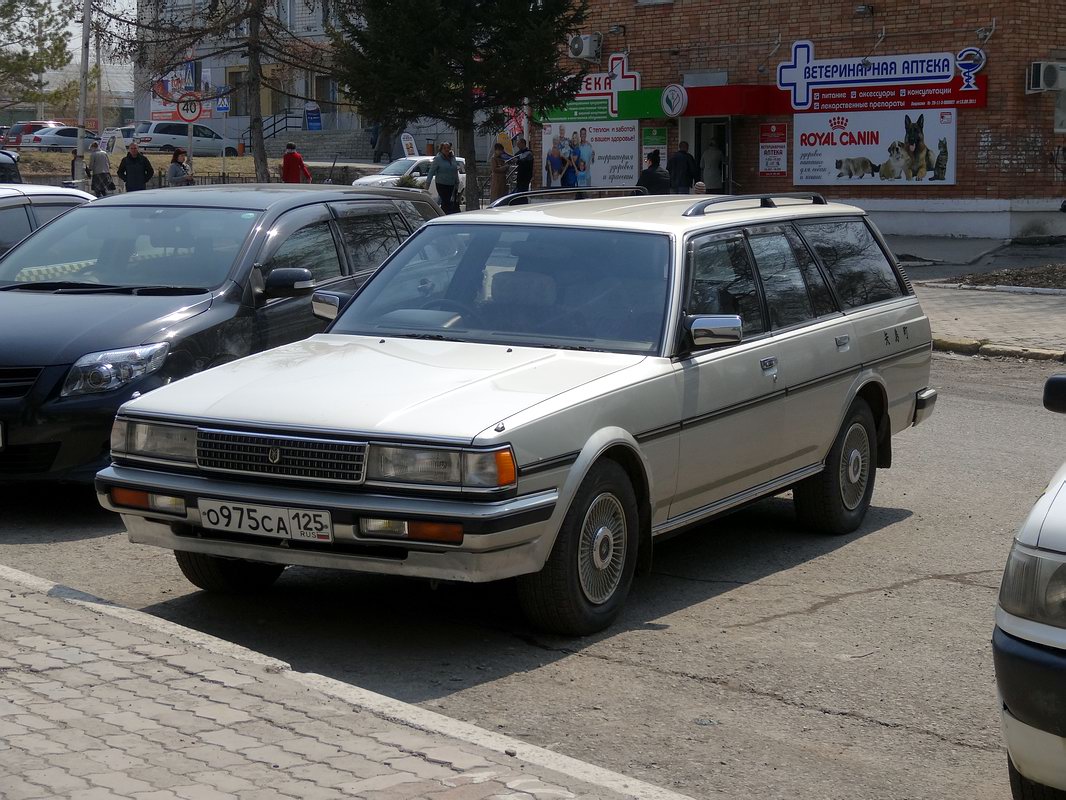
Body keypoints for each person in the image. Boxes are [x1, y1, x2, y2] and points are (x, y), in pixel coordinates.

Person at [425, 141, 460, 213]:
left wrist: (457, 181)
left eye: (448, 148)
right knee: (446, 201)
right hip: (441, 184)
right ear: (441, 149)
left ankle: (445, 214)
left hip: (451, 184)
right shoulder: (438, 159)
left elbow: (455, 170)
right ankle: (444, 216)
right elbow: (431, 172)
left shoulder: (453, 158)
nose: (447, 149)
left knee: (450, 202)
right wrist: (427, 185)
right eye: (444, 148)